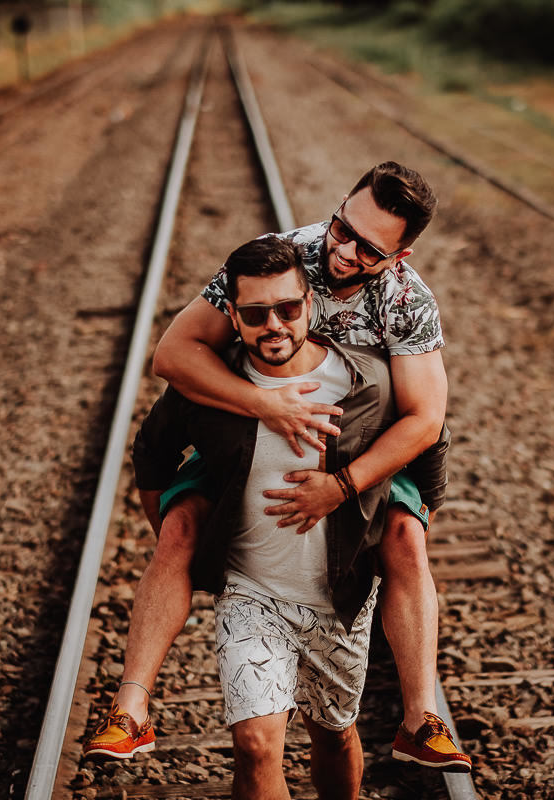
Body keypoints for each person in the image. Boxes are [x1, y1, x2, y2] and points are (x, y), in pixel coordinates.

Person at [84, 162, 470, 772]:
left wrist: (342, 486)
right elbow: (173, 352)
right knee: (180, 525)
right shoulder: (283, 256)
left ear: (400, 255)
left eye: (368, 249)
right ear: (341, 203)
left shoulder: (408, 301)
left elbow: (425, 420)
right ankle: (131, 707)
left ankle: (421, 719)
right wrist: (264, 403)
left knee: (405, 535)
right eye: (343, 227)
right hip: (246, 431)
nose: (343, 251)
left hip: (359, 446)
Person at [111, 236, 429, 798]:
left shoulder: (367, 382)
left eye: (287, 309)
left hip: (340, 599)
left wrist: (386, 512)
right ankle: (129, 707)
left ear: (310, 304)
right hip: (250, 593)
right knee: (255, 745)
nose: (274, 325)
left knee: (333, 735)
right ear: (232, 316)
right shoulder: (209, 386)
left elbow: (430, 445)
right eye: (256, 314)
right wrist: (180, 542)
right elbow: (150, 452)